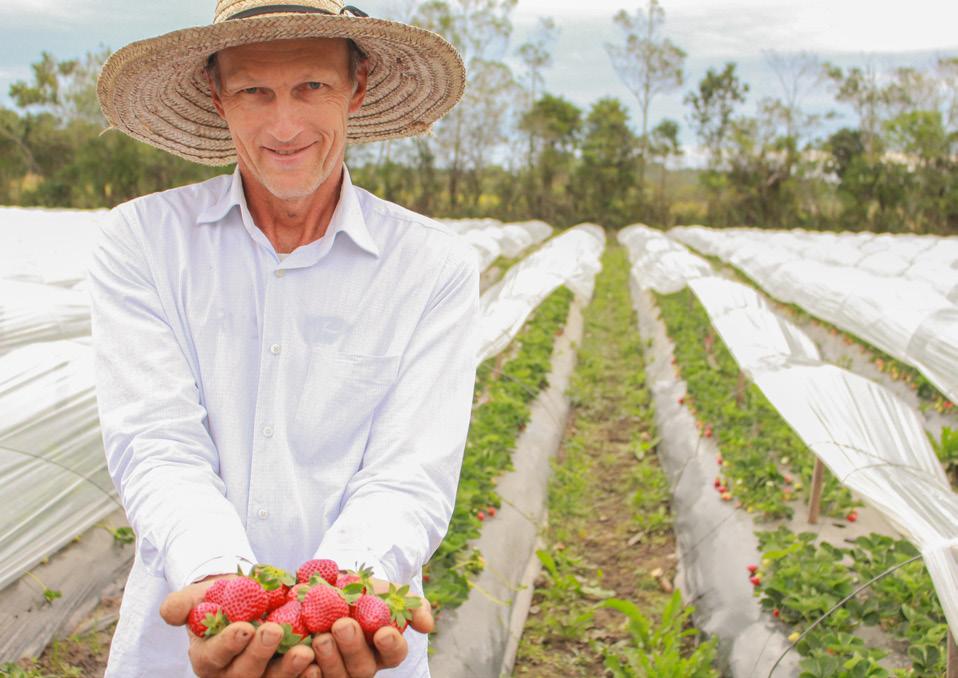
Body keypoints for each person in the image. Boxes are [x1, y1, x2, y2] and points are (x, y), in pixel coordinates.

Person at [90, 1, 475, 676]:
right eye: (254, 91)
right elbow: (157, 443)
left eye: (312, 87)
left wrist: (348, 589)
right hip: (186, 650)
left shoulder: (431, 265)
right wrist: (221, 585)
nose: (285, 123)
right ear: (217, 96)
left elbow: (409, 471)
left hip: (359, 644)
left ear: (356, 87)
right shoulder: (144, 243)